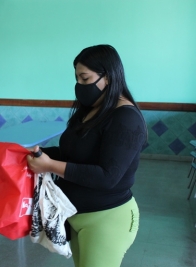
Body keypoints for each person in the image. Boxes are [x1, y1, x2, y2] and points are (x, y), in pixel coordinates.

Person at [27, 44, 147, 267]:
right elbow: (74, 153)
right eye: (77, 79)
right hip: (77, 216)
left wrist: (50, 165)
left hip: (107, 220)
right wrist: (41, 155)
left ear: (108, 77)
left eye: (85, 78)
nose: (79, 86)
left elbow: (107, 176)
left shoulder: (126, 118)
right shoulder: (91, 109)